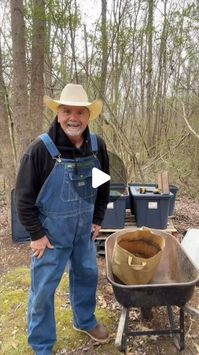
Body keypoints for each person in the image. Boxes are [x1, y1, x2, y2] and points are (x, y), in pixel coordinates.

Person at [15, 83, 110, 355]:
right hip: (50, 236)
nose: (73, 118)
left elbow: (103, 184)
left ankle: (85, 320)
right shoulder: (39, 150)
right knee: (43, 290)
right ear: (58, 114)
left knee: (87, 275)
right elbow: (23, 197)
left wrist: (98, 218)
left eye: (80, 112)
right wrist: (36, 234)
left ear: (87, 116)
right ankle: (42, 344)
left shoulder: (96, 146)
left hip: (84, 232)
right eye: (67, 111)